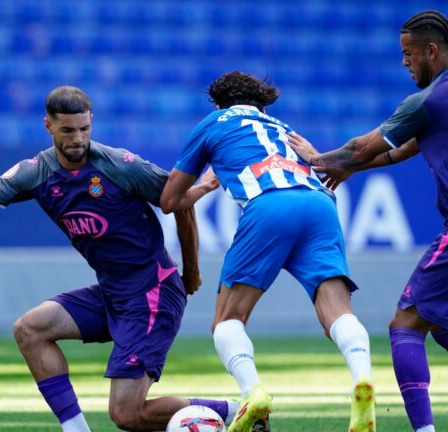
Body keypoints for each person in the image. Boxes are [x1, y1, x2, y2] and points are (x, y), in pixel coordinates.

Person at [0, 86, 238, 432]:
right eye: (68, 131)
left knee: (126, 414)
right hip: (112, 294)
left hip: (151, 293)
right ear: (48, 126)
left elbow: (179, 201)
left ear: (92, 123)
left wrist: (191, 270)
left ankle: (236, 411)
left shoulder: (120, 166)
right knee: (30, 329)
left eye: (84, 129)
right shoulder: (36, 172)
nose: (78, 139)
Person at [287, 10, 448, 432]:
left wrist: (316, 159)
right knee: (443, 321)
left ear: (431, 51)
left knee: (404, 325)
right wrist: (354, 168)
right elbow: (407, 146)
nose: (404, 62)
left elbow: (361, 146)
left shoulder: (429, 99)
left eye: (408, 54)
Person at [160, 71, 376, 432]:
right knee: (336, 312)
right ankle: (362, 377)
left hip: (269, 205)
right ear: (260, 103)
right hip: (320, 203)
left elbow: (169, 201)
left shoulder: (213, 122)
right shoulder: (281, 126)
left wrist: (205, 187)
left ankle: (252, 394)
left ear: (218, 103)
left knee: (227, 320)